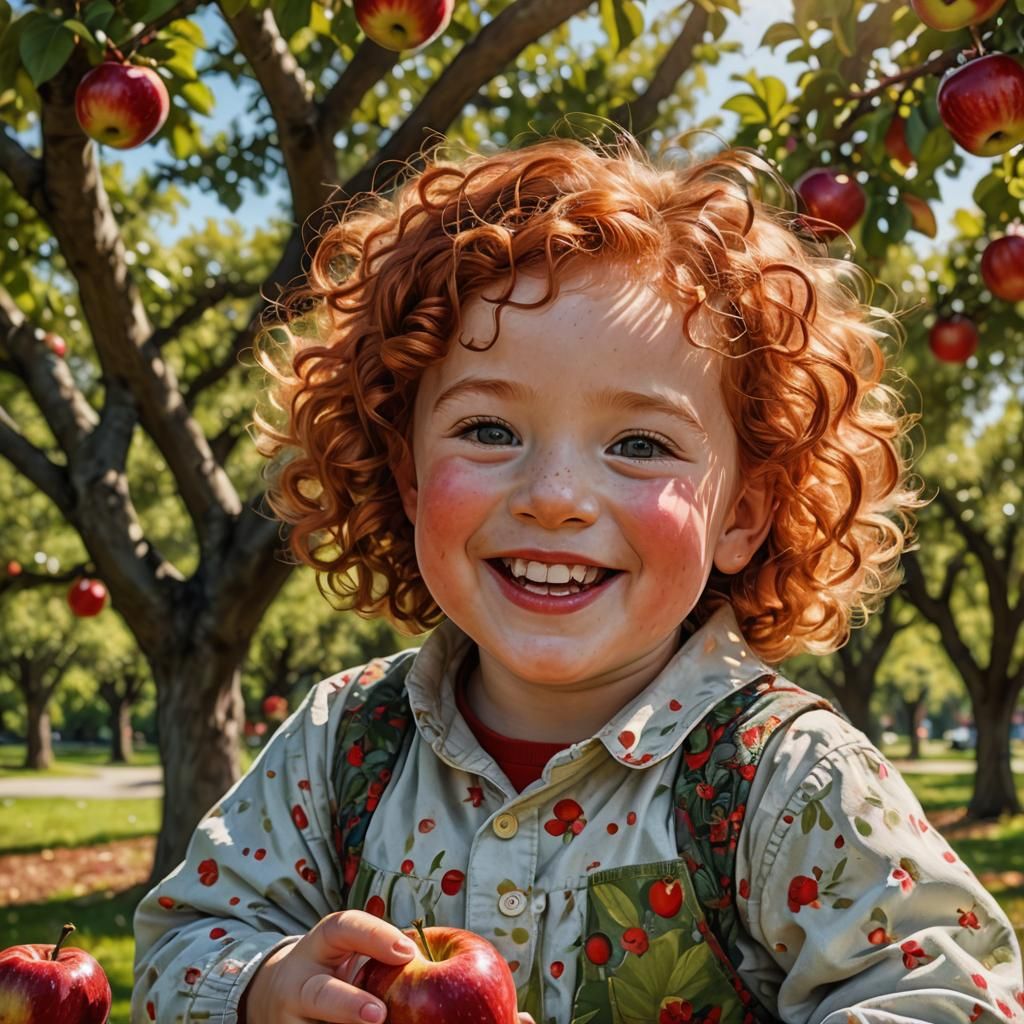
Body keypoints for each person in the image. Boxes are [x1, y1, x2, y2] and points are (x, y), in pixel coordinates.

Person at [131, 131, 1023, 1024]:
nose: (554, 498)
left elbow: (950, 999)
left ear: (742, 515)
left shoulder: (784, 783)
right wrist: (268, 986)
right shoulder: (344, 747)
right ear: (405, 476)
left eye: (639, 445)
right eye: (487, 430)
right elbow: (183, 940)